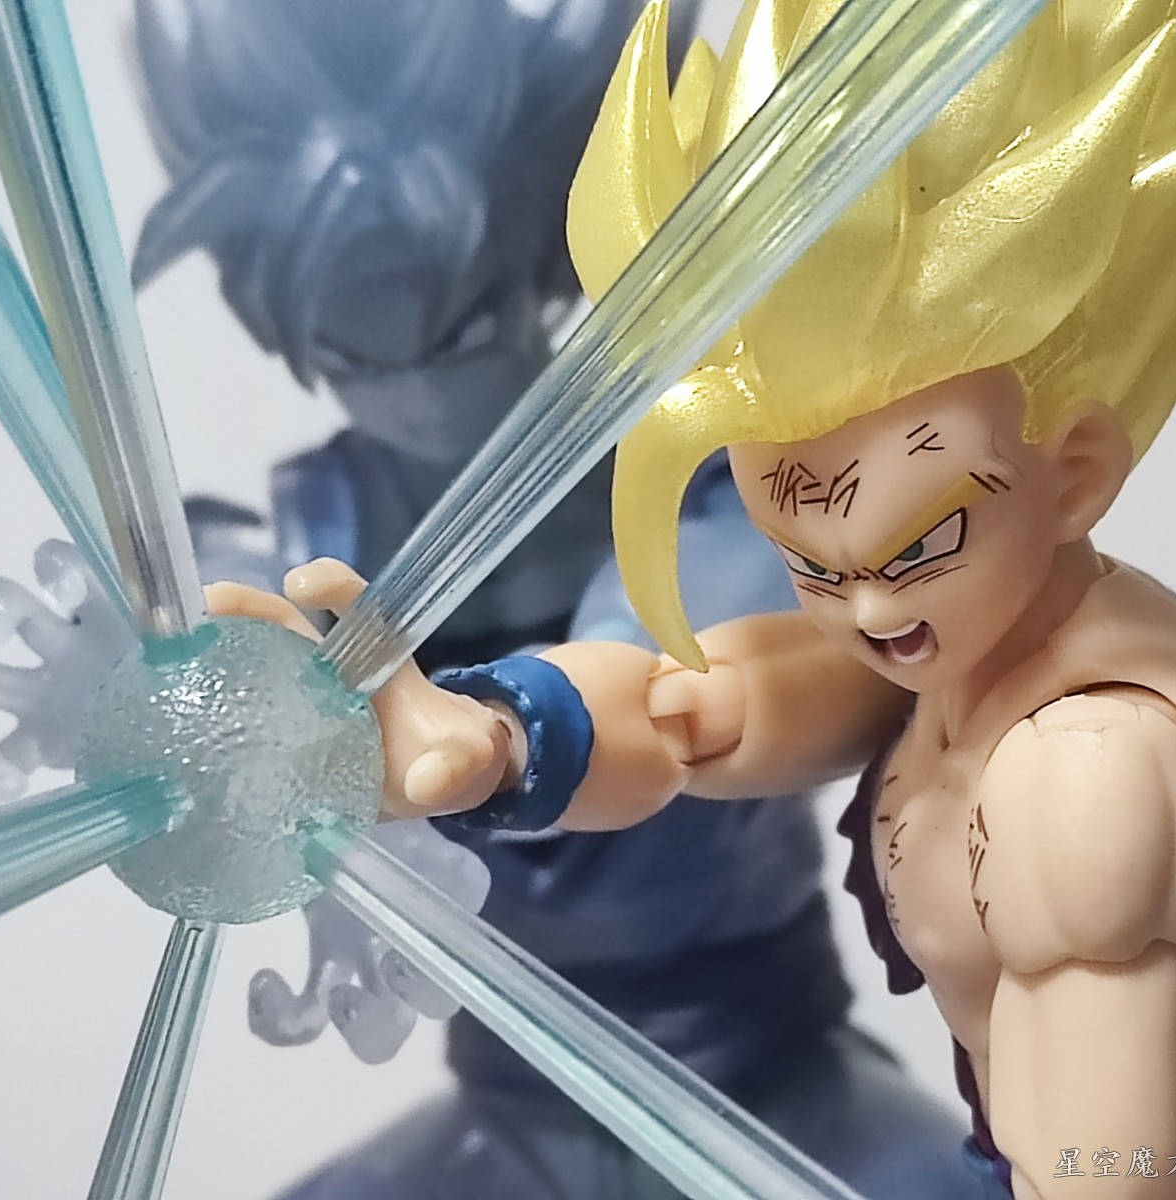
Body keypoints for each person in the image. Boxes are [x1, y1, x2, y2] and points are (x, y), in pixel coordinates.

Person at [213, 0, 1176, 1194]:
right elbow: (695, 708)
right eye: (810, 563)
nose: (864, 612)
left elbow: (1116, 1169)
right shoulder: (964, 652)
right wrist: (491, 737)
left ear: (1073, 472)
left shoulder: (1083, 772)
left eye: (917, 547)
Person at [131, 0, 979, 1196]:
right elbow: (196, 668)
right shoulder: (309, 539)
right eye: (355, 352)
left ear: (535, 271)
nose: (416, 389)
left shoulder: (702, 484)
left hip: (768, 1083)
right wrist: (156, 694)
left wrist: (503, 737)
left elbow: (681, 682)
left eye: (462, 327)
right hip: (511, 1100)